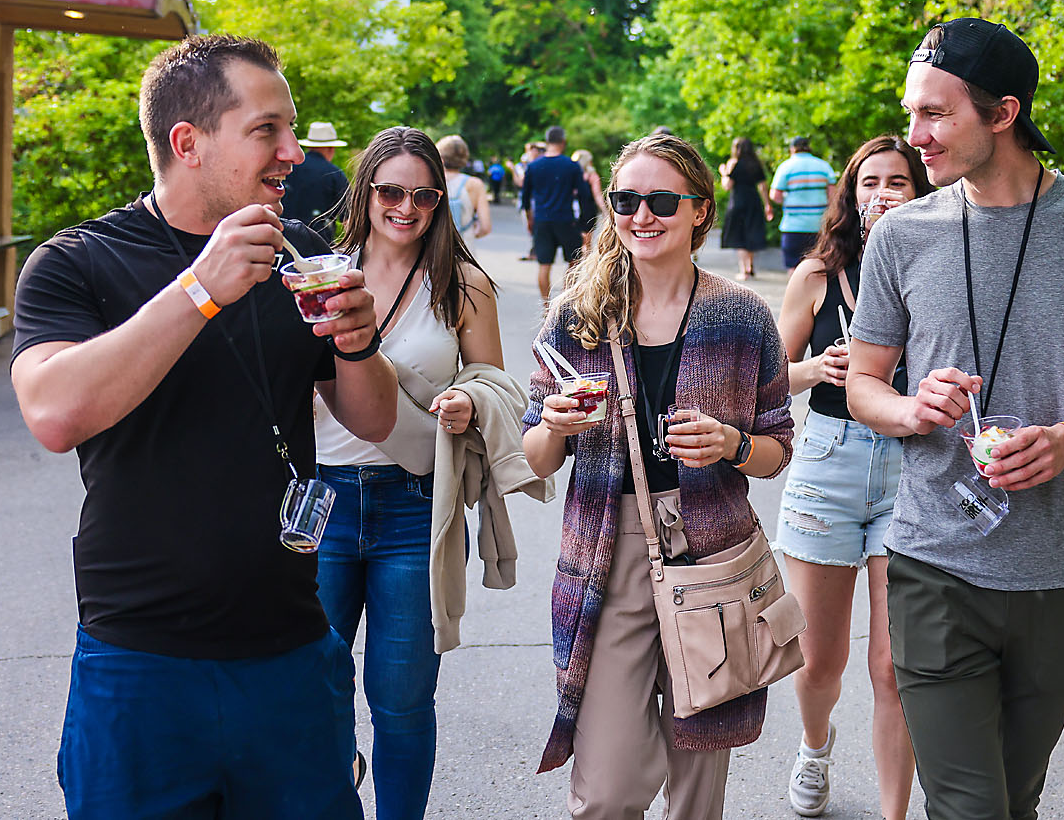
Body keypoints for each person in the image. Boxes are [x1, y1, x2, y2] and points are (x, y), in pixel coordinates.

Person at [10, 34, 401, 819]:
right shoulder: (78, 261)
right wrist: (199, 288)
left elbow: (376, 418)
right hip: (140, 661)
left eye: (292, 128)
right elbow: (53, 411)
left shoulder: (300, 251)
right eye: (268, 130)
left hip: (292, 649)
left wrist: (359, 343)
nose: (295, 151)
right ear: (188, 142)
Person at [846, 17, 1064, 820]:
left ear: (1003, 113)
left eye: (937, 115)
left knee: (1014, 799)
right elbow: (863, 382)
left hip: (1061, 573)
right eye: (912, 112)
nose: (915, 137)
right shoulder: (902, 233)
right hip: (933, 565)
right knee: (969, 807)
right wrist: (908, 404)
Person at [522, 133, 796, 819]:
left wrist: (733, 443)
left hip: (715, 558)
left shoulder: (743, 316)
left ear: (701, 209)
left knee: (698, 791)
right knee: (607, 791)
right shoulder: (578, 316)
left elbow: (777, 449)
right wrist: (555, 424)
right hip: (608, 555)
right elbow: (532, 456)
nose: (641, 215)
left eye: (661, 200)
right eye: (626, 199)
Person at [314, 126, 547, 819]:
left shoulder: (461, 282)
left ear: (440, 200)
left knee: (403, 699)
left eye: (422, 194)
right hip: (318, 502)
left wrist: (468, 397)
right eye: (390, 190)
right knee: (307, 680)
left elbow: (495, 382)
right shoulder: (321, 270)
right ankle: (337, 774)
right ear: (365, 191)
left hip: (415, 505)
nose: (405, 207)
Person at [773, 135, 929, 820]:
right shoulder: (816, 275)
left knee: (894, 666)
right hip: (828, 461)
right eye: (870, 181)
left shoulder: (944, 269)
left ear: (922, 191)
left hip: (913, 467)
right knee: (819, 659)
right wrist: (818, 369)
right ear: (850, 192)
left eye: (899, 181)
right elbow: (768, 378)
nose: (883, 192)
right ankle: (814, 745)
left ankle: (895, 812)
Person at [520, 126, 598, 303]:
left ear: (547, 142)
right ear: (563, 143)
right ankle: (564, 303)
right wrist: (585, 224)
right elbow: (585, 195)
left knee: (544, 265)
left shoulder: (533, 166)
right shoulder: (571, 166)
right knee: (573, 262)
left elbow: (525, 197)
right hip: (565, 220)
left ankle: (547, 307)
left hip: (541, 220)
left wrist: (529, 219)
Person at [769, 136, 837, 269]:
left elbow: (775, 195)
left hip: (793, 226)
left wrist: (789, 199)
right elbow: (833, 196)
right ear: (808, 147)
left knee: (793, 267)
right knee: (818, 266)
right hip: (819, 225)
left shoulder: (786, 167)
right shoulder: (824, 166)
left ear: (792, 149)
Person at [718, 137, 772, 280]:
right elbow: (763, 186)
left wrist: (724, 172)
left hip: (737, 201)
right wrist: (767, 204)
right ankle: (751, 266)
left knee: (738, 235)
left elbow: (727, 186)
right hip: (753, 201)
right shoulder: (755, 164)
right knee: (751, 231)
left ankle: (744, 270)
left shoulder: (733, 163)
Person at [286, 121, 352, 236]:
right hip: (318, 245)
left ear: (309, 146)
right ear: (331, 148)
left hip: (283, 240)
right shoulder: (334, 174)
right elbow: (348, 218)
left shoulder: (288, 168)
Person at [435, 133, 492, 239]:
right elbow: (486, 227)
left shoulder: (432, 180)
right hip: (465, 245)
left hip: (435, 245)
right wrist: (472, 234)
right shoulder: (475, 184)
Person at [570, 148, 609, 250]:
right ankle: (585, 262)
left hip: (573, 210)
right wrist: (605, 211)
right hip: (587, 210)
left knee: (576, 240)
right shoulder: (592, 175)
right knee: (587, 241)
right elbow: (597, 195)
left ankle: (578, 262)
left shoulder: (571, 175)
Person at [515, 142, 546, 261]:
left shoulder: (534, 166)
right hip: (531, 200)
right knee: (531, 226)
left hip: (536, 201)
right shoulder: (529, 165)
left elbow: (521, 183)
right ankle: (535, 250)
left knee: (534, 226)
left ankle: (536, 251)